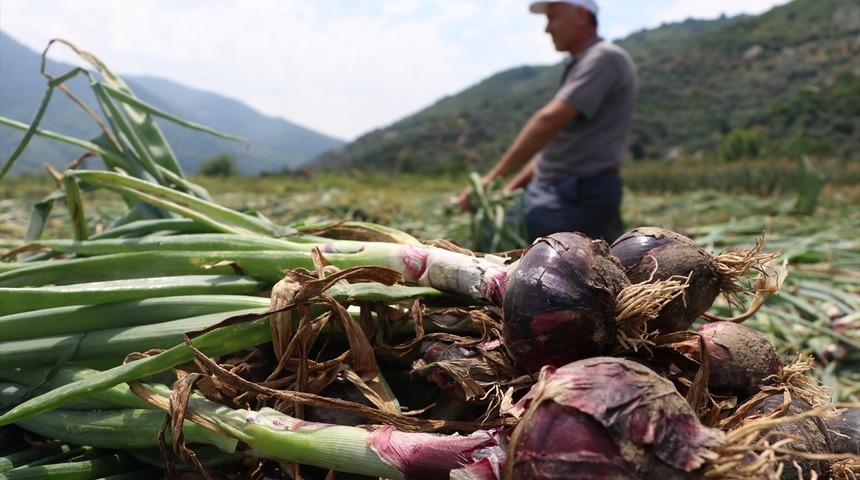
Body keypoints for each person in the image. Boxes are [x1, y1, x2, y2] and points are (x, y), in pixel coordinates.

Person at [457, 0, 638, 243]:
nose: (547, 28)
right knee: (490, 235)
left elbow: (548, 121)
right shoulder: (582, 63)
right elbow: (552, 148)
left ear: (581, 15)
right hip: (554, 191)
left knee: (495, 243)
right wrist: (506, 190)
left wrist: (489, 181)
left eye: (553, 17)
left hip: (576, 195)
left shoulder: (604, 57)